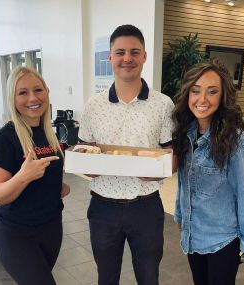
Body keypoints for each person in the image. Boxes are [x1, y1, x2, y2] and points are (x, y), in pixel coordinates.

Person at [78, 24, 174, 285]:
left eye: (134, 52)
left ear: (144, 56)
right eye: (120, 52)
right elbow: (84, 150)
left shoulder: (163, 104)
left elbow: (172, 155)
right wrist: (89, 166)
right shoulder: (93, 105)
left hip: (146, 207)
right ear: (109, 57)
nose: (127, 58)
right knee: (106, 278)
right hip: (102, 207)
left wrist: (158, 169)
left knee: (148, 278)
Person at [172, 58, 244, 285]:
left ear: (222, 97)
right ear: (188, 95)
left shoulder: (237, 142)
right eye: (196, 91)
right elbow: (184, 182)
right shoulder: (187, 132)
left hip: (223, 239)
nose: (202, 99)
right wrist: (180, 214)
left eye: (212, 92)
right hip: (193, 235)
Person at [0, 66, 70, 285]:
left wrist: (58, 187)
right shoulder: (4, 140)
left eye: (38, 90)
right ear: (12, 98)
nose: (32, 98)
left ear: (47, 92)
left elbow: (46, 175)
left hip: (51, 227)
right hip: (17, 234)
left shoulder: (48, 133)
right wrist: (23, 176)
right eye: (22, 92)